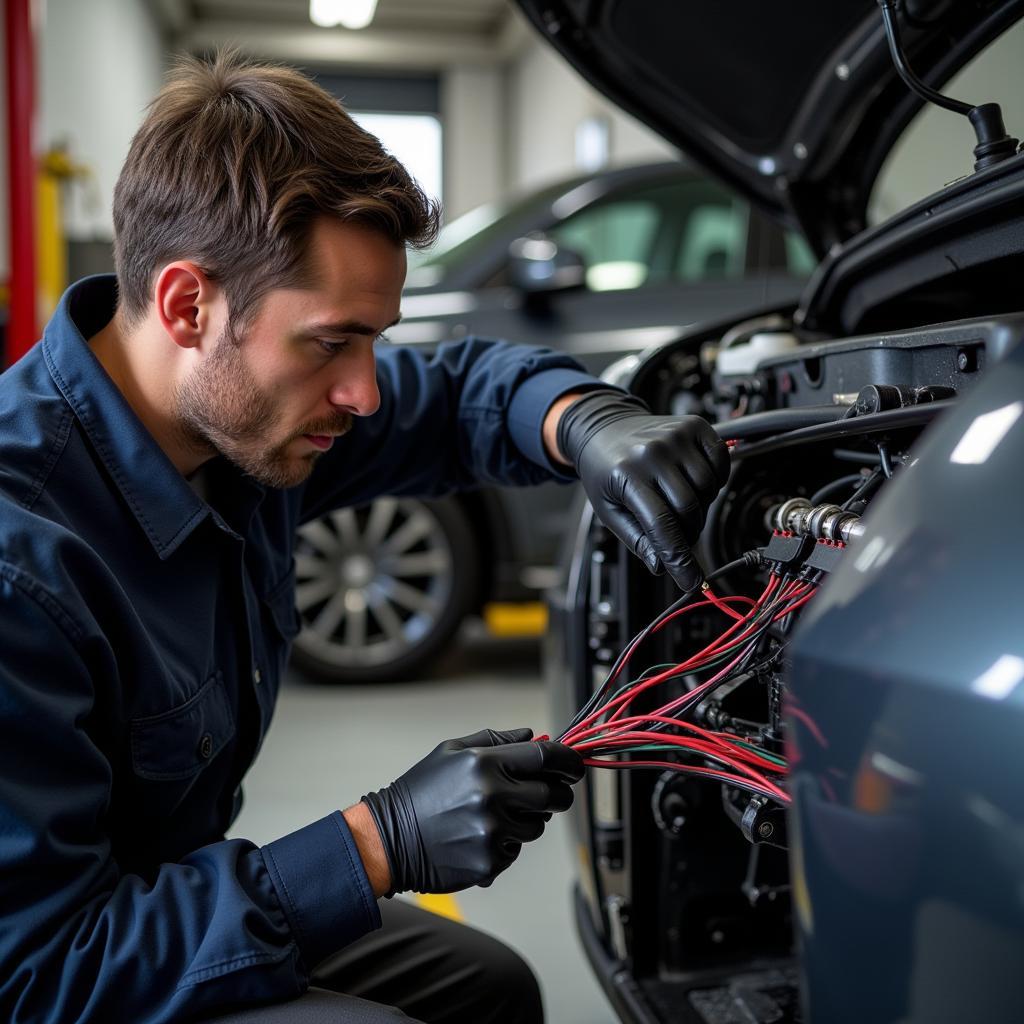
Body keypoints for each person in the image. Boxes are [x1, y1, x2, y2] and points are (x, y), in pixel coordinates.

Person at [0, 52, 729, 1024]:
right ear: (188, 305)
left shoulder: (234, 413)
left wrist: (591, 420)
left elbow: (463, 392)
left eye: (374, 340)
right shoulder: (21, 563)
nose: (365, 392)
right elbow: (40, 971)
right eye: (332, 341)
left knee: (491, 990)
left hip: (153, 896)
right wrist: (375, 842)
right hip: (68, 969)